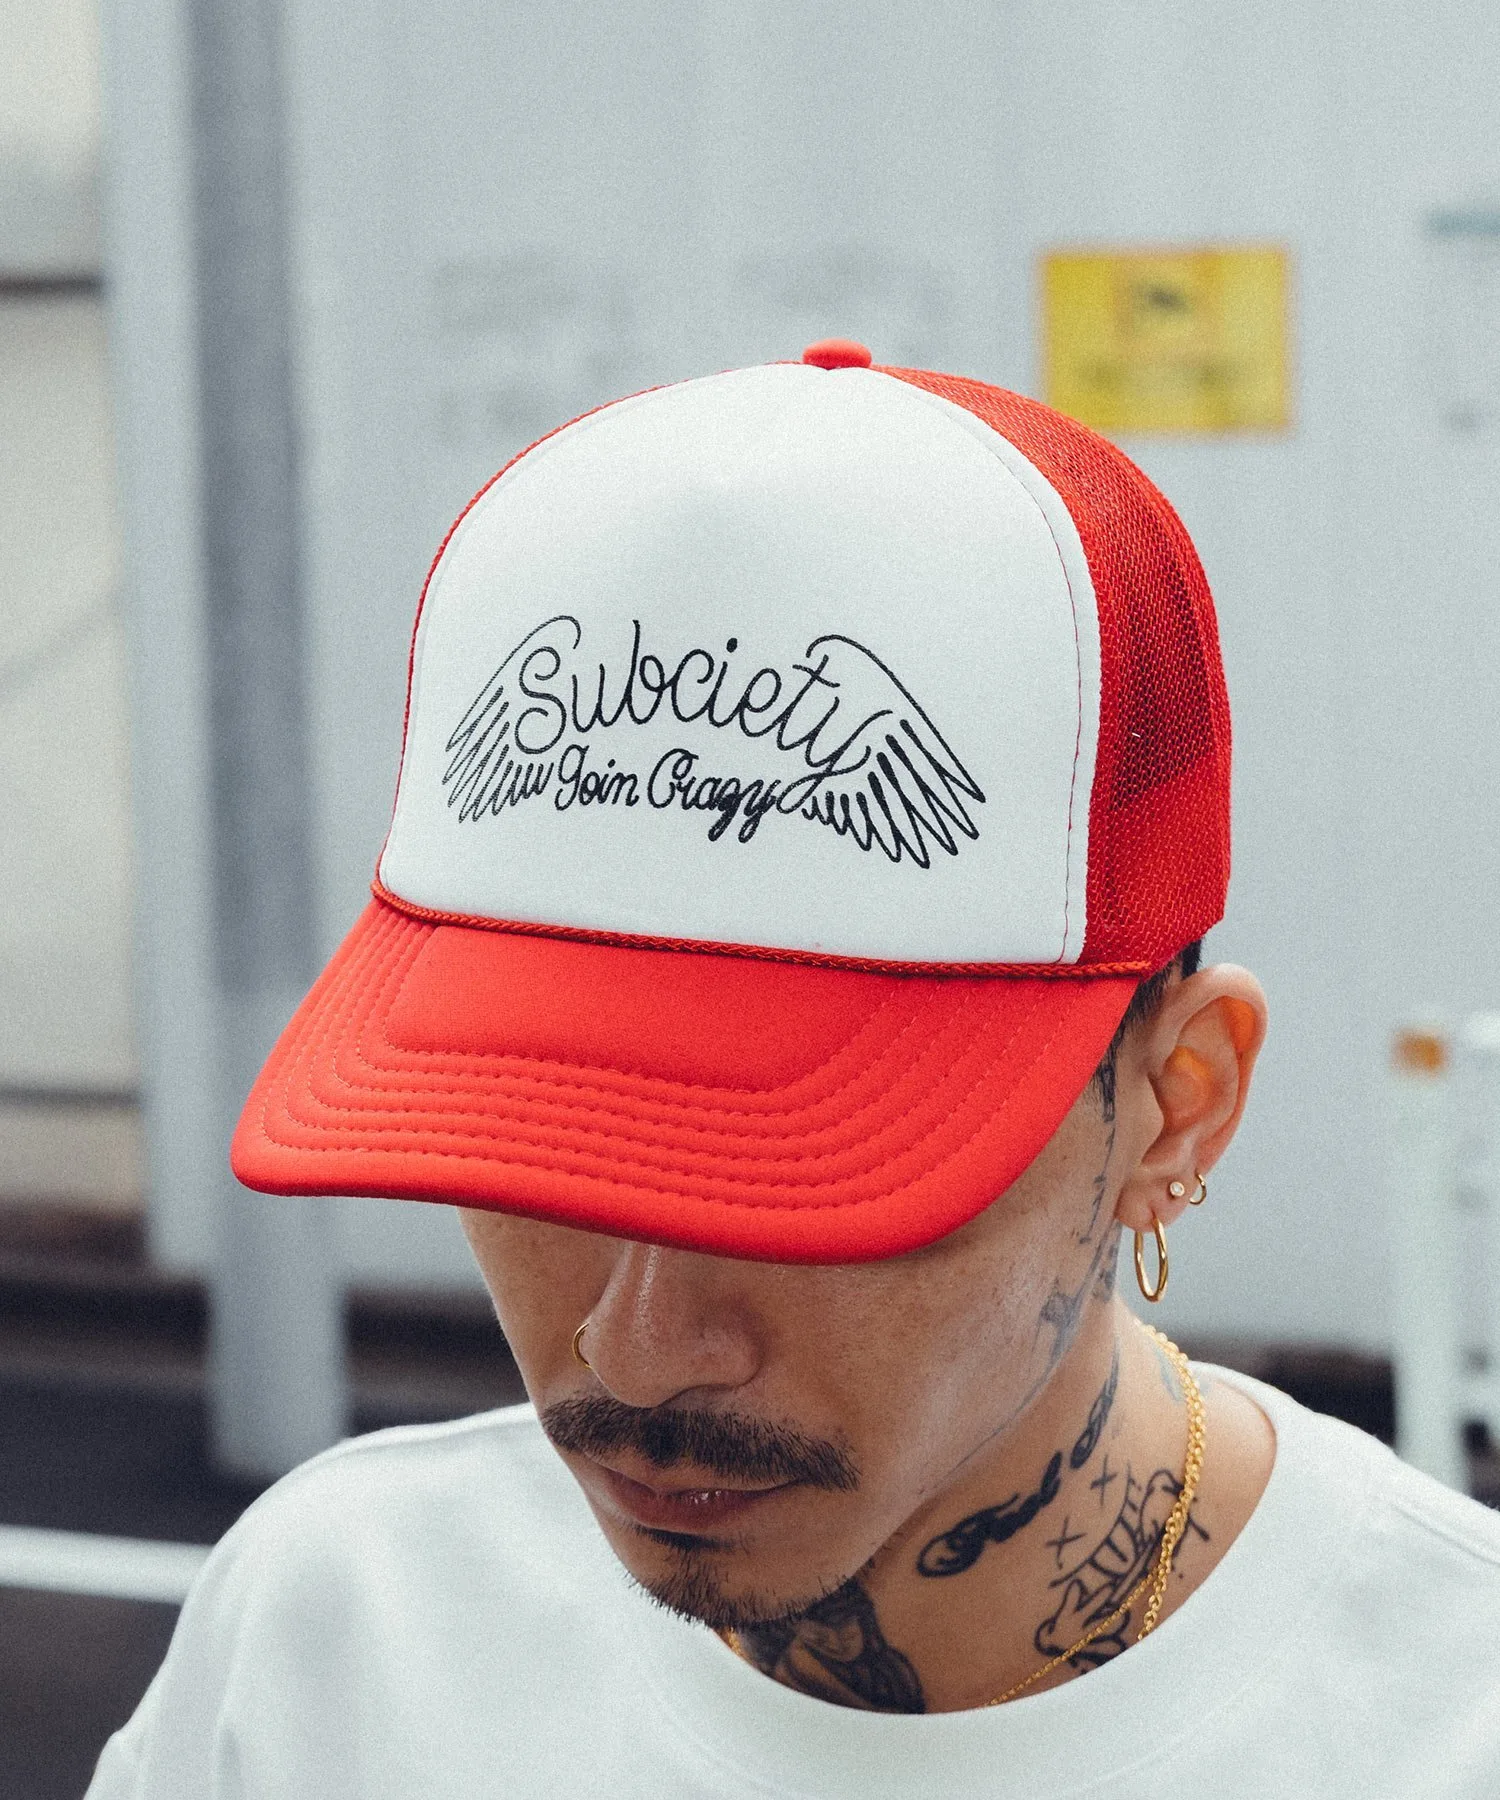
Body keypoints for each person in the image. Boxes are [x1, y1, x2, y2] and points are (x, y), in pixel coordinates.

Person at [90, 340, 1500, 1797]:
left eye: (808, 1188)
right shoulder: (333, 1639)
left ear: (1175, 1109)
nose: (637, 1350)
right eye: (545, 1148)